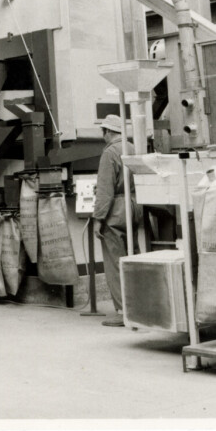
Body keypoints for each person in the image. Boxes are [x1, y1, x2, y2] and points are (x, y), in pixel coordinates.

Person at [92, 114, 132, 327]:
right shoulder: (133, 147)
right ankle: (139, 308)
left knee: (115, 262)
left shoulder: (110, 153)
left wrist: (98, 219)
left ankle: (123, 311)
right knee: (134, 259)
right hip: (135, 206)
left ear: (107, 132)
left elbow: (105, 190)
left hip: (116, 210)